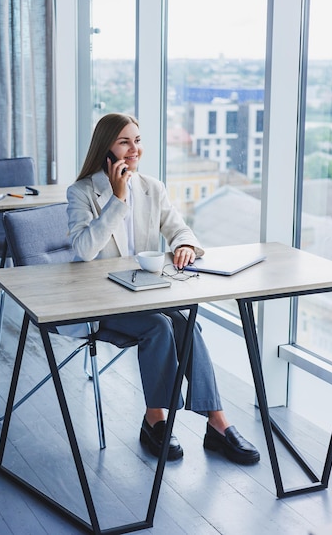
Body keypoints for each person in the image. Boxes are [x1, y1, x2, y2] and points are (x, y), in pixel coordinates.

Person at [67, 112, 259, 465]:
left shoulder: (152, 188)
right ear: (106, 148)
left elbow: (179, 229)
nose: (134, 149)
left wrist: (185, 245)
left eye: (137, 140)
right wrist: (117, 199)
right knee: (158, 326)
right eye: (124, 141)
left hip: (143, 293)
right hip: (102, 302)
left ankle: (217, 423)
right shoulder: (82, 192)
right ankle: (156, 418)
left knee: (186, 321)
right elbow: (83, 250)